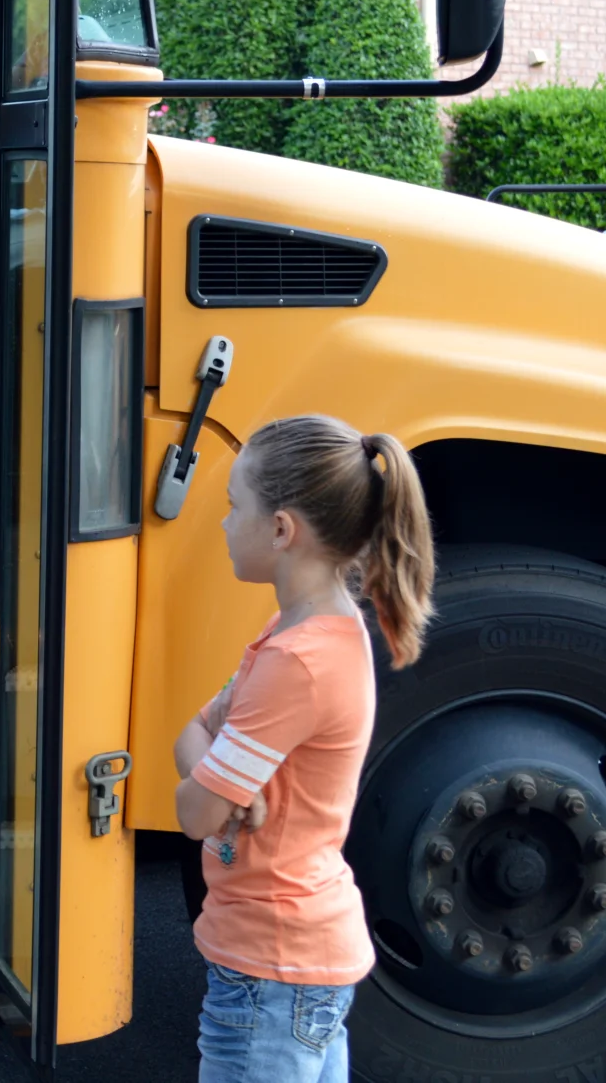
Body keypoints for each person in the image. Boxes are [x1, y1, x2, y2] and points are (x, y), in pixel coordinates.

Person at [172, 416, 435, 1083]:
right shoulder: (302, 633)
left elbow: (195, 812)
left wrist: (215, 781)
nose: (224, 523)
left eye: (235, 506)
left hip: (269, 969)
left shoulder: (297, 662)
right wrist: (224, 779)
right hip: (290, 959)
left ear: (282, 529)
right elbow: (191, 734)